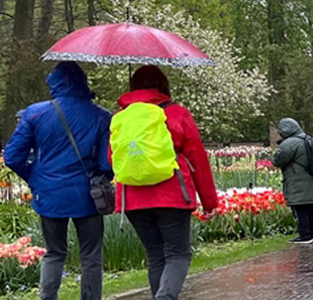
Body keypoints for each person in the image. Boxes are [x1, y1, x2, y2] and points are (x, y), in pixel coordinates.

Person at [4, 62, 112, 300]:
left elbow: (12, 156)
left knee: (54, 253)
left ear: (55, 83)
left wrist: (35, 177)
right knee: (91, 256)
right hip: (88, 195)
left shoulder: (35, 113)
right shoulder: (101, 116)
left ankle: (48, 297)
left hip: (49, 193)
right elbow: (107, 163)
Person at [112, 66, 220, 300]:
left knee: (155, 256)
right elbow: (197, 159)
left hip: (133, 197)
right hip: (172, 195)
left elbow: (112, 157)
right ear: (163, 85)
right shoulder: (177, 114)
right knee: (178, 255)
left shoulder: (120, 118)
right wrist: (209, 201)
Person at [272, 118, 313, 244]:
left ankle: (305, 234)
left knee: (299, 206)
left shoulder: (290, 143)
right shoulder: (308, 139)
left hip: (297, 180)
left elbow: (277, 160)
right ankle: (311, 233)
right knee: (309, 207)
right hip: (311, 178)